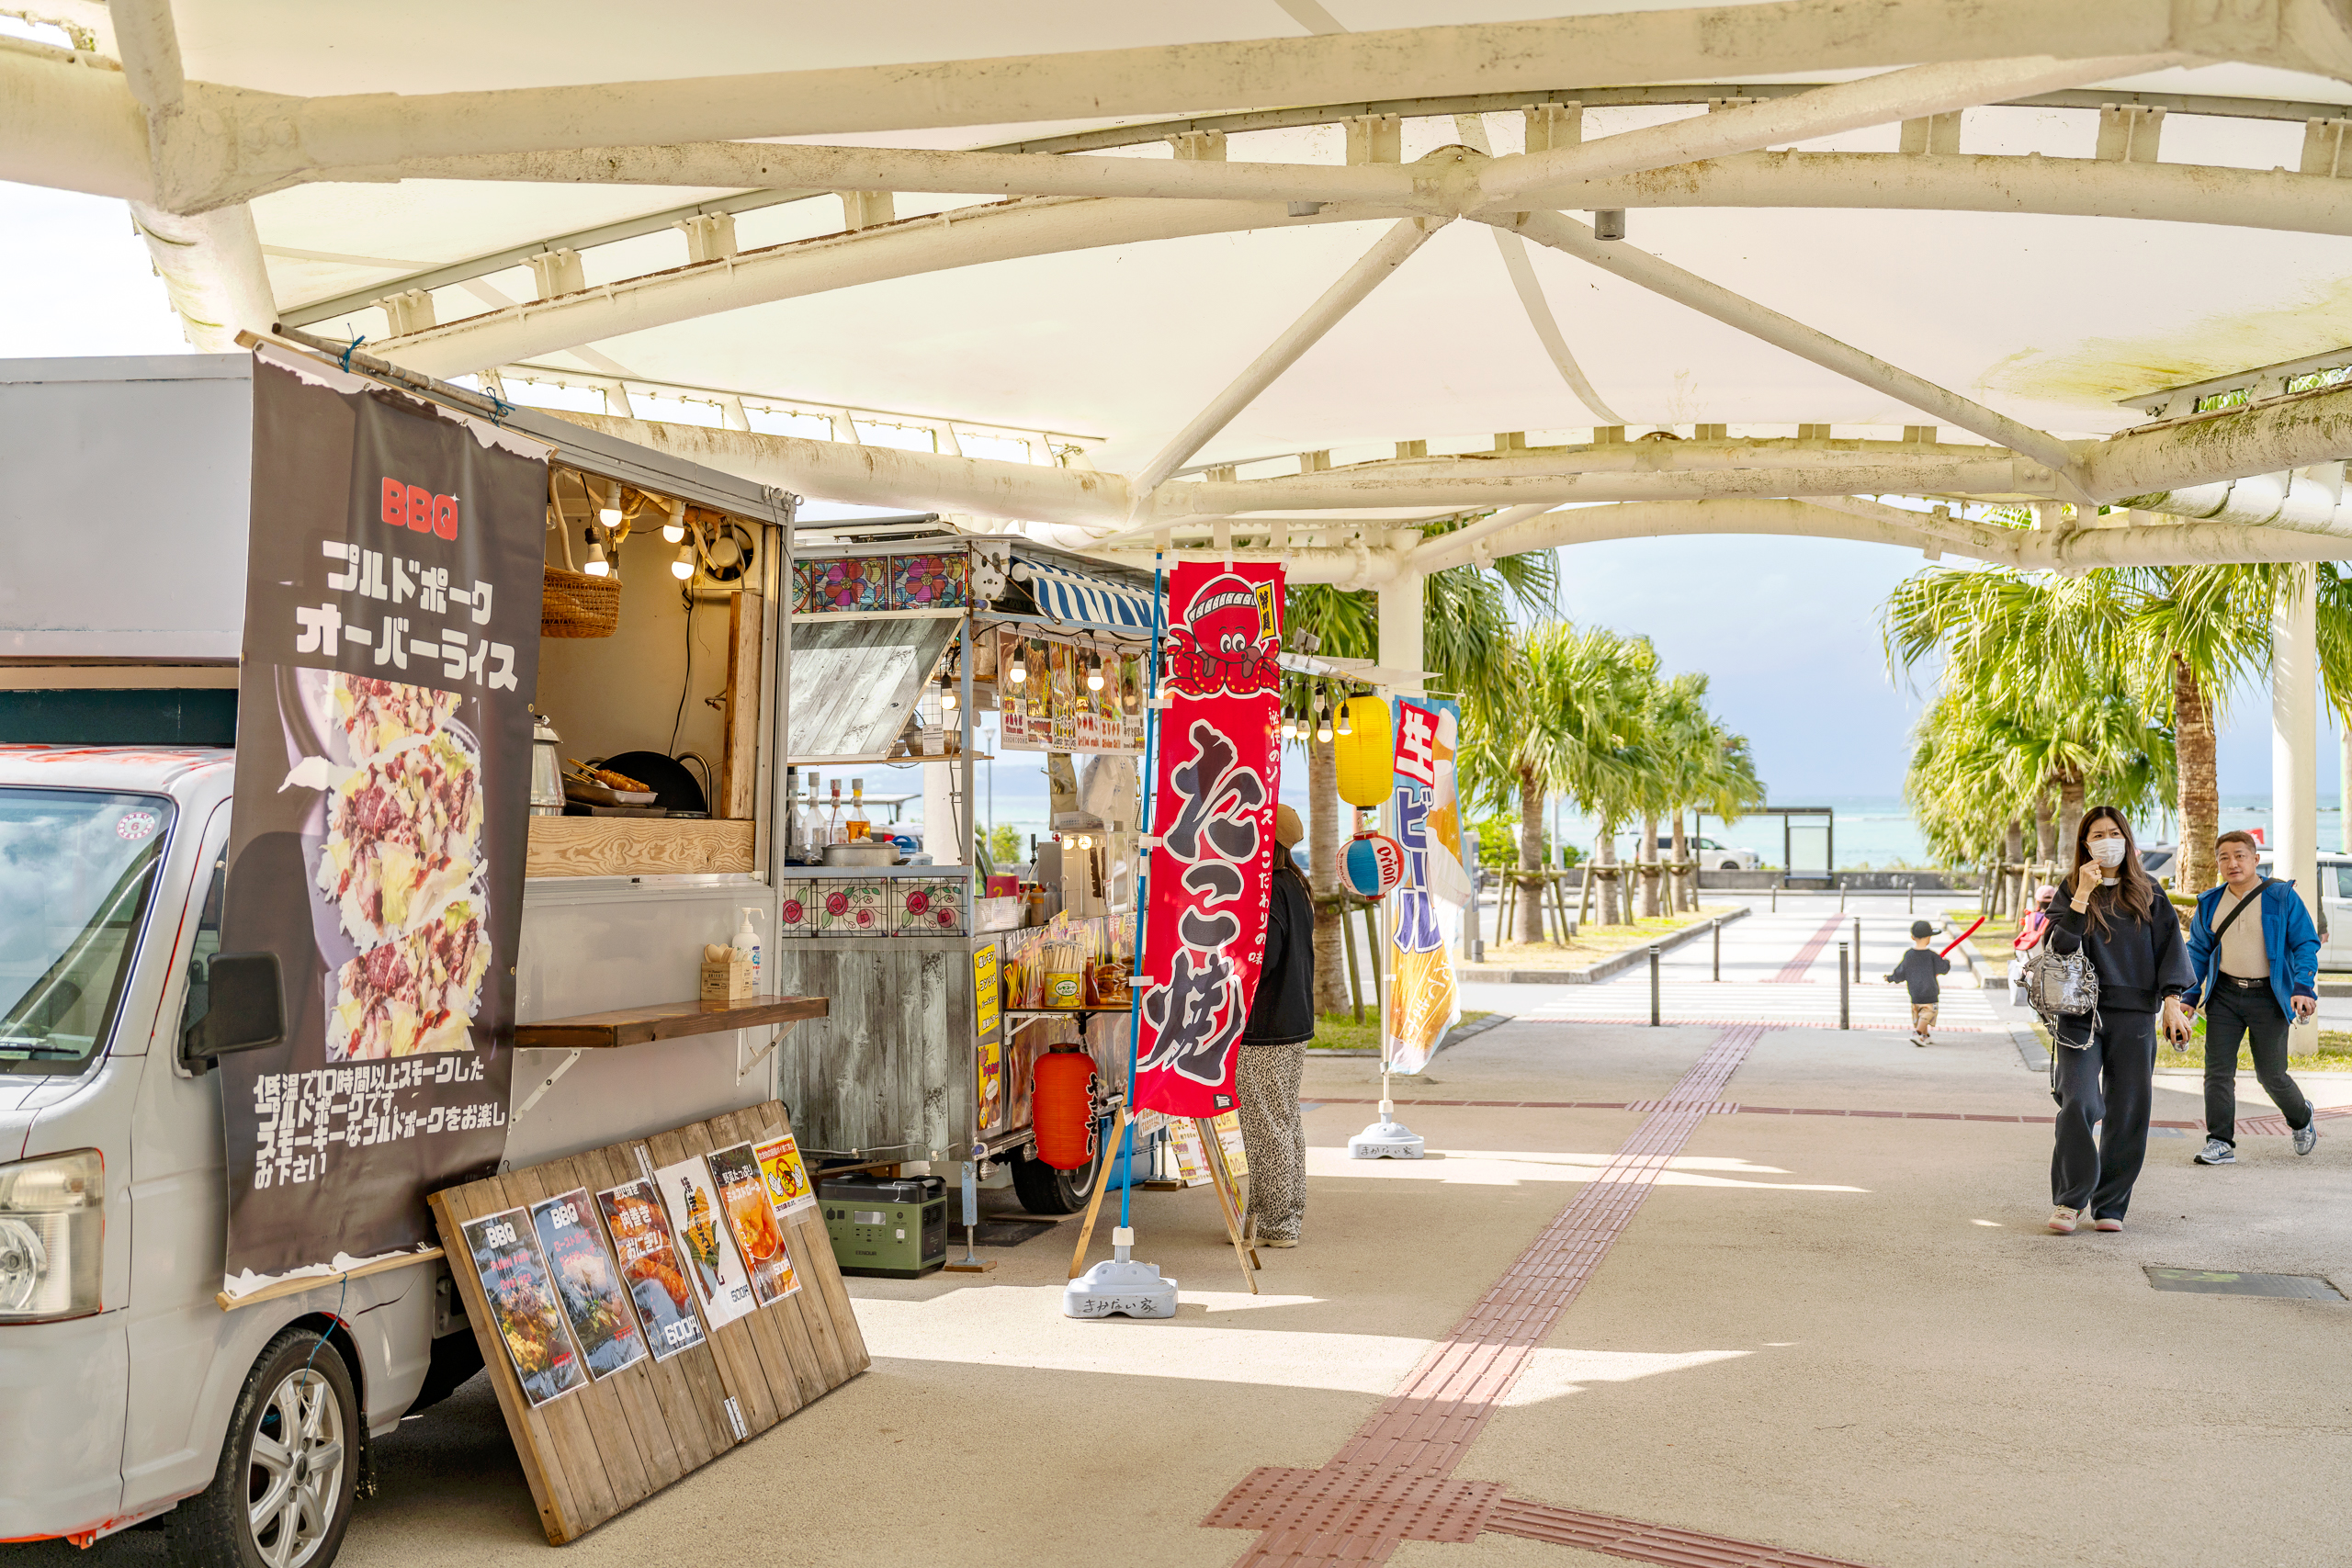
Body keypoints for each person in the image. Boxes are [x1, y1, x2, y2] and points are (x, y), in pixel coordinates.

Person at [2041, 807, 2197, 1235]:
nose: (2106, 841)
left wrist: (2172, 1003)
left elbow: (2170, 949)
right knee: (2078, 1102)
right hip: (2079, 1015)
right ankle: (2070, 1200)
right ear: (2085, 844)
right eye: (2097, 835)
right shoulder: (2071, 888)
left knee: (2129, 1110)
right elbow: (2059, 947)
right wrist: (2081, 894)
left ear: (2127, 840)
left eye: (2114, 833)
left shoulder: (2149, 891)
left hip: (2135, 1015)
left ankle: (2110, 1204)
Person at [2179, 829, 2321, 1165]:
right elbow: (2197, 952)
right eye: (2224, 857)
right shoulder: (2210, 902)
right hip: (2224, 995)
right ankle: (2220, 1141)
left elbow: (2305, 943)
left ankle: (2301, 1117)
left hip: (2268, 997)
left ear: (2255, 859)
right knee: (2217, 1072)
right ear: (2217, 863)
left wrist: (2302, 986)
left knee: (2271, 1075)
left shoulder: (2281, 897)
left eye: (2240, 856)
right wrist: (2188, 995)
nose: (2232, 863)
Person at [1236, 803, 1315, 1248]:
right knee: (1282, 1121)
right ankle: (1277, 1215)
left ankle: (1279, 1222)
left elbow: (1260, 963)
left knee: (1265, 1125)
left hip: (1266, 1026)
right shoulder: (1296, 885)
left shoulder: (1269, 891)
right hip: (1292, 1020)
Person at [1884, 919, 1951, 1047]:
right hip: (1929, 991)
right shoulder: (1932, 956)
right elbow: (1943, 969)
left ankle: (1925, 1036)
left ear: (1912, 937)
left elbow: (1901, 972)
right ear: (1929, 938)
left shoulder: (1909, 955)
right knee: (1928, 1013)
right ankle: (1917, 1033)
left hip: (1914, 992)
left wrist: (1890, 978)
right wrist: (1946, 962)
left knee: (1919, 1015)